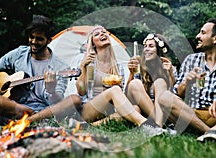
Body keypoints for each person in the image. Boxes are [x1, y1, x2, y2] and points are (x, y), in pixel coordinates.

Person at [27, 26, 166, 135]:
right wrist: (83, 66)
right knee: (115, 90)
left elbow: (124, 94)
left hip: (111, 108)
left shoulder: (118, 65)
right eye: (97, 34)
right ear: (92, 43)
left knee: (134, 108)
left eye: (104, 32)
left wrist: (130, 74)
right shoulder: (87, 62)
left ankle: (85, 126)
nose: (102, 34)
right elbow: (80, 92)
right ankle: (147, 125)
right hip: (89, 108)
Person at [0, 15, 71, 120]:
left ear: (49, 40)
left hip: (45, 109)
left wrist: (51, 90)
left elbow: (56, 102)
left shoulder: (61, 67)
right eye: (31, 37)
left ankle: (27, 118)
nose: (34, 42)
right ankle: (34, 118)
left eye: (39, 39)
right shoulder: (19, 53)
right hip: (18, 106)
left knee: (73, 100)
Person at [126, 33, 176, 127]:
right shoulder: (139, 66)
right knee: (134, 83)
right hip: (143, 111)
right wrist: (131, 73)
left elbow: (174, 95)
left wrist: (170, 74)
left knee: (160, 82)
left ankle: (157, 125)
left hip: (164, 112)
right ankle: (158, 125)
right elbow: (128, 94)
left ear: (159, 50)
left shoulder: (170, 67)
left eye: (151, 46)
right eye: (145, 46)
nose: (146, 49)